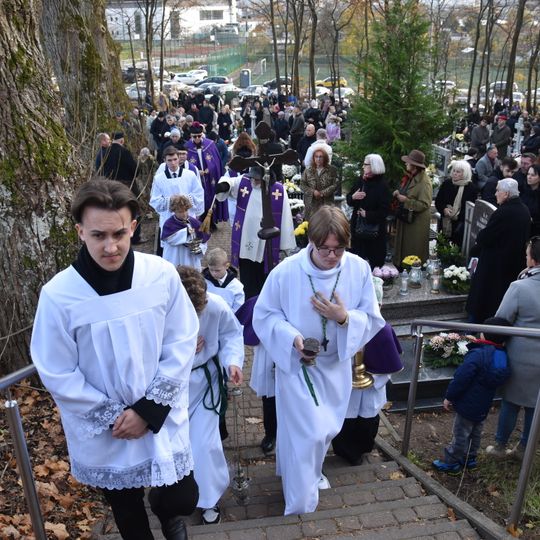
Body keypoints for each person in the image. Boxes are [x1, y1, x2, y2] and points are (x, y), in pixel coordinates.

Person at [31, 179, 199, 540]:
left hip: (159, 411)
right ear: (80, 232)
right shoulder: (59, 295)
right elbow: (57, 370)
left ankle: (167, 512)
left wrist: (149, 409)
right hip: (108, 427)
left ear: (133, 227)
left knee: (183, 497)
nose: (110, 247)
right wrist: (114, 416)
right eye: (98, 235)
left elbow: (182, 339)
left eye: (119, 233)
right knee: (127, 511)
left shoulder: (159, 274)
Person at [252, 205, 385, 515]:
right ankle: (300, 503)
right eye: (325, 249)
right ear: (311, 241)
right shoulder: (286, 272)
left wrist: (344, 318)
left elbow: (372, 317)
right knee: (308, 434)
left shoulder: (358, 269)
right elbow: (265, 315)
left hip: (335, 366)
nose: (332, 256)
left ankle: (305, 474)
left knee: (324, 431)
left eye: (339, 249)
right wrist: (291, 338)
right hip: (298, 366)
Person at [177, 266, 244, 525]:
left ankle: (208, 499)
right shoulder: (158, 311)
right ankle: (178, 494)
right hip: (175, 387)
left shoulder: (214, 305)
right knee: (179, 443)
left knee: (205, 443)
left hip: (207, 382)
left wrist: (232, 362)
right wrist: (182, 350)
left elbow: (231, 334)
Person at [432, 318, 512, 475]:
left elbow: (461, 378)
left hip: (467, 403)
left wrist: (449, 396)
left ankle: (452, 462)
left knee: (460, 434)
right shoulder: (502, 355)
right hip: (484, 404)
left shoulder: (478, 354)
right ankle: (470, 459)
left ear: (484, 334)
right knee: (476, 432)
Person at [487, 237, 540, 460]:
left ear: (533, 260)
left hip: (521, 354)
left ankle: (500, 446)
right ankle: (524, 448)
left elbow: (502, 319)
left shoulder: (519, 287)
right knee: (535, 405)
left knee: (511, 402)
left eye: (527, 255)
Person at [215, 165, 296, 300]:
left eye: (257, 179)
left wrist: (285, 244)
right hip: (246, 238)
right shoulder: (245, 182)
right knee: (247, 278)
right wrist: (224, 185)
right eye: (252, 178)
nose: (253, 181)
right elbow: (230, 182)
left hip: (266, 243)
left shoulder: (278, 190)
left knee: (264, 279)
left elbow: (286, 217)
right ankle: (249, 302)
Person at [466, 179, 531, 323]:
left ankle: (474, 326)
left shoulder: (503, 212)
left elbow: (486, 237)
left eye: (498, 191)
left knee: (483, 300)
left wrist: (479, 239)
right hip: (512, 264)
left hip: (494, 265)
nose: (495, 194)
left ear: (506, 194)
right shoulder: (524, 210)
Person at [150, 146, 204, 254]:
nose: (173, 163)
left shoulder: (190, 175)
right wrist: (171, 200)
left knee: (189, 248)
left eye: (175, 159)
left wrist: (185, 199)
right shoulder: (159, 179)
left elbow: (199, 195)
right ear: (164, 161)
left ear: (179, 158)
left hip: (187, 217)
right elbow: (155, 201)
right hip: (168, 220)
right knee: (171, 251)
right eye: (169, 160)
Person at [347, 154, 391, 268]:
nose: (363, 167)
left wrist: (367, 214)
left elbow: (385, 211)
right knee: (357, 263)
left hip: (374, 233)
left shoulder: (382, 186)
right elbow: (349, 199)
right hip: (358, 230)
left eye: (365, 164)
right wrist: (353, 197)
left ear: (374, 166)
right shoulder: (361, 181)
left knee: (375, 265)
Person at [392, 150, 433, 268]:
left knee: (413, 251)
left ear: (414, 166)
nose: (406, 163)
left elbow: (424, 204)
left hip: (416, 223)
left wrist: (406, 200)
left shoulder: (424, 182)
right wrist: (399, 193)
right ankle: (402, 267)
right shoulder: (411, 177)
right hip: (408, 219)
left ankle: (412, 272)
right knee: (405, 248)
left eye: (408, 162)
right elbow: (409, 193)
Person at [185, 123, 228, 224]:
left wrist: (210, 169)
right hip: (197, 179)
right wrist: (196, 171)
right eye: (194, 136)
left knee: (211, 198)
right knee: (199, 199)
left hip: (210, 178)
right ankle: (198, 222)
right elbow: (185, 165)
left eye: (199, 136)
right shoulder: (187, 147)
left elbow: (216, 162)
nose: (197, 138)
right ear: (191, 136)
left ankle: (212, 222)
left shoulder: (210, 144)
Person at [435, 160, 478, 247]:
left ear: (465, 173)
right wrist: (444, 209)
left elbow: (470, 208)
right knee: (442, 247)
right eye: (454, 170)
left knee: (456, 249)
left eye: (458, 172)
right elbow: (438, 201)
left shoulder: (471, 188)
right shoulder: (447, 183)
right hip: (445, 222)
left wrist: (456, 214)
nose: (454, 173)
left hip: (459, 226)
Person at [161, 195, 209, 270]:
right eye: (180, 212)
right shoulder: (169, 224)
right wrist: (186, 232)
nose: (184, 214)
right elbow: (170, 239)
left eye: (186, 210)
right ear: (174, 211)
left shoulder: (194, 222)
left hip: (190, 258)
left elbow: (203, 238)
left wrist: (200, 248)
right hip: (174, 256)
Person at [202, 247, 245, 312]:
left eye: (217, 270)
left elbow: (239, 309)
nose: (213, 274)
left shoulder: (236, 286)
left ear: (227, 266)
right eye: (211, 270)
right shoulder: (203, 283)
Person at [300, 147, 338, 219]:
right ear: (313, 158)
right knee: (312, 223)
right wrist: (313, 191)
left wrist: (322, 193)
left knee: (326, 222)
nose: (318, 159)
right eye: (316, 157)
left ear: (325, 158)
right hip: (311, 204)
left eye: (321, 157)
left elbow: (335, 185)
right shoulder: (308, 170)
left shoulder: (332, 170)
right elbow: (302, 184)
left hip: (327, 203)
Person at [519, 164, 540, 236]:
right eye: (528, 174)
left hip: (535, 231)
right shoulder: (522, 190)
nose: (529, 177)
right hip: (521, 228)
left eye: (533, 175)